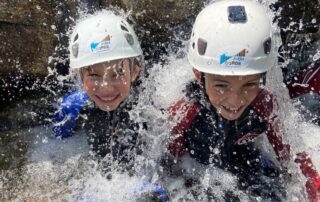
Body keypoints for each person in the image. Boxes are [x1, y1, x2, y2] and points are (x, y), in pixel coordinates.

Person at [164, 0, 320, 201]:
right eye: (221, 85)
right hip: (197, 169)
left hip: (244, 161)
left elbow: (294, 159)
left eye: (249, 84)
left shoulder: (265, 105)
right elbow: (167, 162)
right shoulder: (185, 110)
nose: (235, 100)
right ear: (197, 74)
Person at [52, 11, 145, 171]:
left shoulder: (147, 106)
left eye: (117, 74)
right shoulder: (75, 105)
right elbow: (58, 135)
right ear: (79, 75)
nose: (106, 88)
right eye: (94, 75)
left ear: (135, 71)